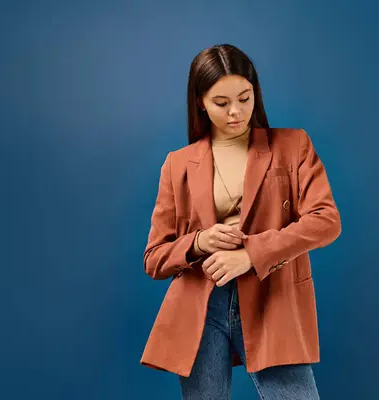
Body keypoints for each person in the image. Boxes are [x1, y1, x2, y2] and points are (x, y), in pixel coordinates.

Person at [140, 43, 342, 399]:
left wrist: (250, 254)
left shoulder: (292, 146)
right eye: (222, 103)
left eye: (245, 98)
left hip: (272, 296)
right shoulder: (178, 163)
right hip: (201, 304)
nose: (236, 112)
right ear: (200, 101)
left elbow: (325, 220)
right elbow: (154, 259)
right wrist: (200, 241)